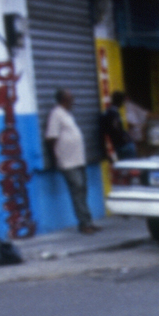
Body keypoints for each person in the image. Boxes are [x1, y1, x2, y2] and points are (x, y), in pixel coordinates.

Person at [43, 89, 98, 235]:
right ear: (63, 100)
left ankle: (88, 221)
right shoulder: (56, 114)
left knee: (83, 190)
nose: (73, 101)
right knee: (77, 190)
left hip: (78, 159)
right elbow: (51, 137)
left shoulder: (67, 114)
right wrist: (55, 158)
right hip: (67, 161)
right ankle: (84, 224)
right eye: (70, 98)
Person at [99, 89, 135, 161]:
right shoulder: (114, 114)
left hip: (118, 145)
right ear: (120, 102)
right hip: (123, 145)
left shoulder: (107, 113)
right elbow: (116, 129)